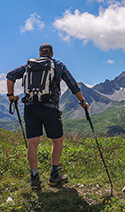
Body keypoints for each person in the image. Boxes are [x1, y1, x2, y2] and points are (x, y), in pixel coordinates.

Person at [6, 43, 89, 190]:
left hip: (30, 107)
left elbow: (11, 75)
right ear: (52, 53)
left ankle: (34, 178)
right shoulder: (59, 65)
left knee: (33, 142)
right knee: (57, 140)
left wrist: (11, 95)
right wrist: (82, 102)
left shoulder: (29, 65)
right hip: (50, 108)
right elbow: (73, 85)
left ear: (39, 53)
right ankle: (54, 175)